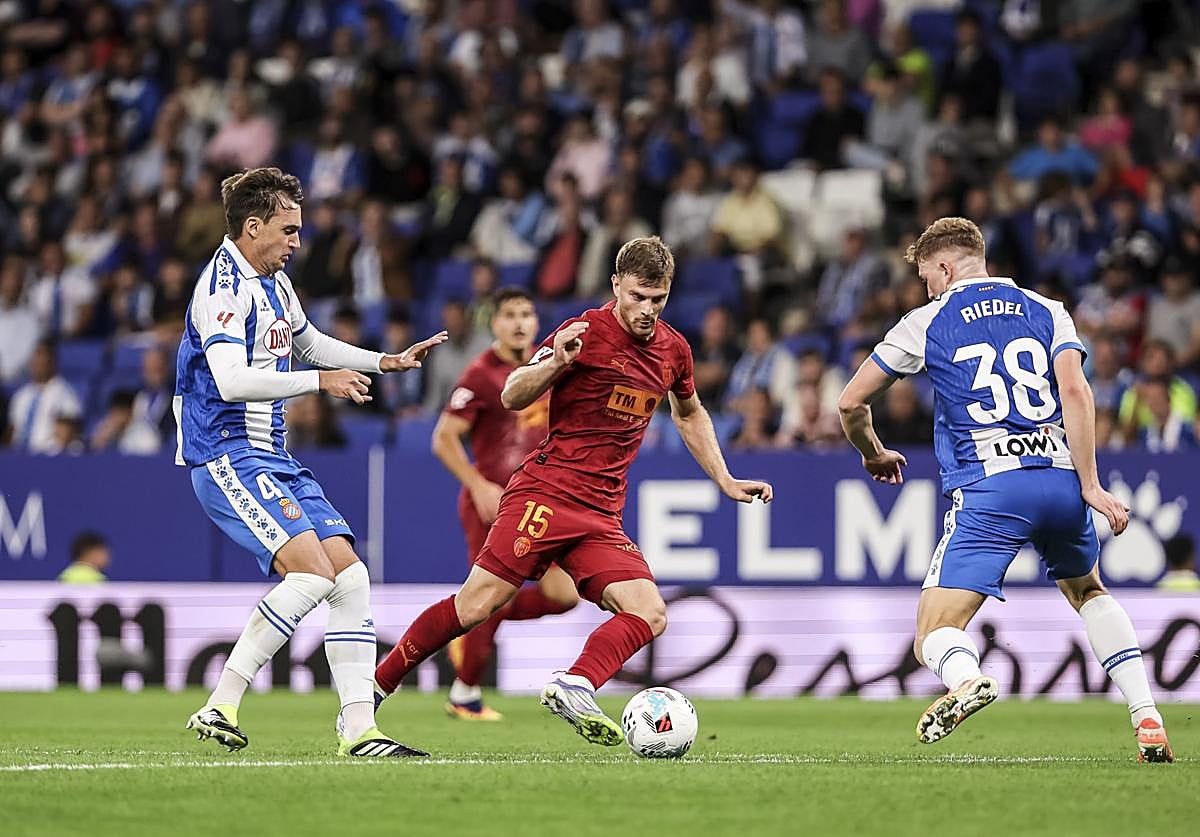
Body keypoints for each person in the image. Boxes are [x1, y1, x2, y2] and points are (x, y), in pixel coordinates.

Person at [374, 237, 773, 748]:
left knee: (649, 612)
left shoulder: (674, 350)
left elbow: (689, 412)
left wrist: (724, 478)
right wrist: (553, 364)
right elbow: (513, 392)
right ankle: (372, 690)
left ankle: (575, 683)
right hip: (545, 495)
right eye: (637, 297)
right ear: (616, 286)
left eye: (658, 299)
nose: (647, 310)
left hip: (601, 514)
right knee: (475, 607)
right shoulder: (582, 332)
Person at [837, 217, 1173, 763]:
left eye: (926, 277)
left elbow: (851, 402)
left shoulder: (926, 320)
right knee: (1088, 591)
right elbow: (1075, 391)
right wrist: (1091, 484)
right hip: (1061, 479)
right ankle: (1147, 715)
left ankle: (967, 679)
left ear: (944, 268)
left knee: (934, 633)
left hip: (991, 488)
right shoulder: (1048, 309)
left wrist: (873, 453)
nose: (926, 287)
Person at [175, 167, 446, 758]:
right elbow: (230, 378)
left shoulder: (274, 282)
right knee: (312, 575)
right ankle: (220, 701)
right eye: (288, 228)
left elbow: (310, 341)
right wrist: (319, 382)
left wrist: (387, 361)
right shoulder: (223, 287)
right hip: (226, 454)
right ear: (253, 227)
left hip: (271, 454)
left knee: (349, 573)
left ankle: (358, 728)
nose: (298, 241)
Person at [431, 287, 579, 720]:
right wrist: (477, 485)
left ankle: (470, 620)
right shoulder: (481, 374)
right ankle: (464, 692)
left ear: (537, 322)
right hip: (493, 502)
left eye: (527, 314)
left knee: (563, 594)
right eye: (510, 314)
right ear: (493, 324)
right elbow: (443, 437)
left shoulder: (551, 365)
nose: (519, 323)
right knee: (495, 593)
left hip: (541, 501)